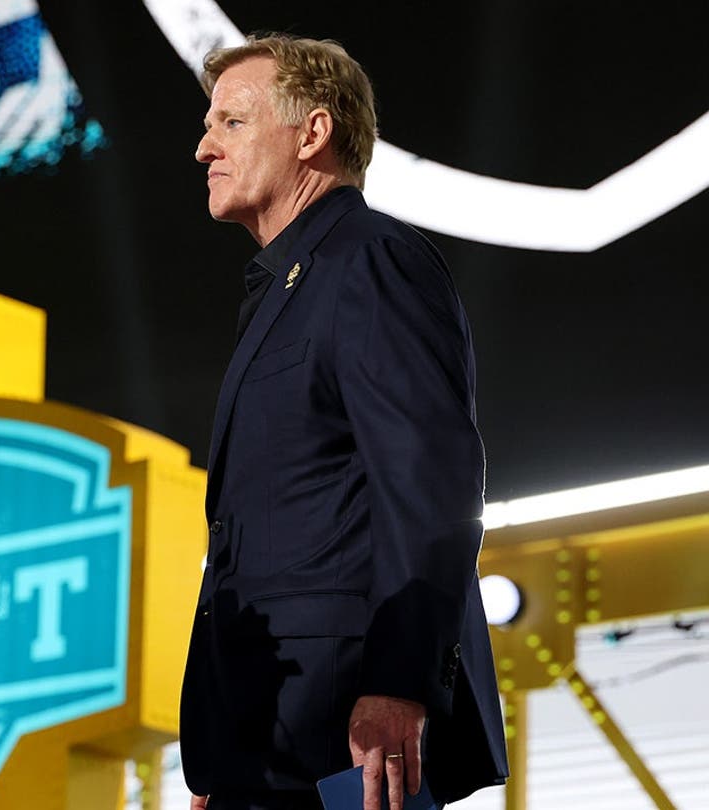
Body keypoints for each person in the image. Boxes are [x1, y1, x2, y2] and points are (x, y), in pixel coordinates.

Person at [179, 34, 509, 810]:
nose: (203, 148)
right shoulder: (291, 284)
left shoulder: (369, 260)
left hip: (345, 735)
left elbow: (429, 482)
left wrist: (402, 681)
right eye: (208, 125)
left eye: (231, 122)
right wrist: (229, 754)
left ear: (313, 133)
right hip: (266, 741)